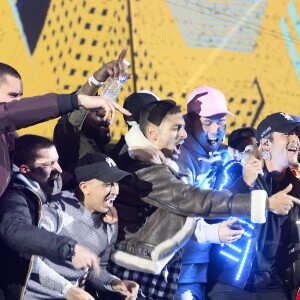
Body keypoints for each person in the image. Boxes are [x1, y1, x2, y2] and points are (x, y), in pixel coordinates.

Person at [108, 100, 299, 300]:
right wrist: (262, 201)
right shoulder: (146, 168)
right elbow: (196, 203)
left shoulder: (169, 164)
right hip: (142, 273)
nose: (184, 134)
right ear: (153, 133)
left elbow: (188, 216)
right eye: (177, 128)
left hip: (171, 272)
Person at [0, 62, 131, 198]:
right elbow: (9, 112)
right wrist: (77, 100)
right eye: (13, 95)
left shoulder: (9, 136)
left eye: (21, 96)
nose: (20, 101)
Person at [206, 112, 300, 300]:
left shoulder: (297, 187)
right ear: (266, 144)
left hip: (276, 285)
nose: (296, 139)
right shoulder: (235, 171)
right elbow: (211, 215)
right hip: (230, 283)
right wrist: (245, 184)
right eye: (288, 134)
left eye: (298, 134)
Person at [0, 135, 104, 299]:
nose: (59, 169)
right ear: (25, 169)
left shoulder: (53, 183)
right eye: (49, 164)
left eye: (57, 160)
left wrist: (105, 205)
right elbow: (16, 231)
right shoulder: (14, 197)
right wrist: (68, 249)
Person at [24, 152, 139, 300]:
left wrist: (115, 283)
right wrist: (68, 290)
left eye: (116, 183)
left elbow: (96, 270)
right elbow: (30, 258)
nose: (115, 191)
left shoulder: (109, 223)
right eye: (108, 184)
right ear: (85, 187)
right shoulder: (56, 210)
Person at [174, 85, 241, 300]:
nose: (216, 129)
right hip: (176, 271)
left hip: (197, 268)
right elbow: (179, 216)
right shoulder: (181, 160)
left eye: (221, 121)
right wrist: (214, 233)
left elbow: (240, 155)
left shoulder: (214, 152)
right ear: (190, 122)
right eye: (208, 122)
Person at [53, 49, 130, 175]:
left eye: (105, 110)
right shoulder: (68, 142)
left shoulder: (103, 148)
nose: (105, 116)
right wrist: (96, 80)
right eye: (95, 110)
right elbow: (74, 115)